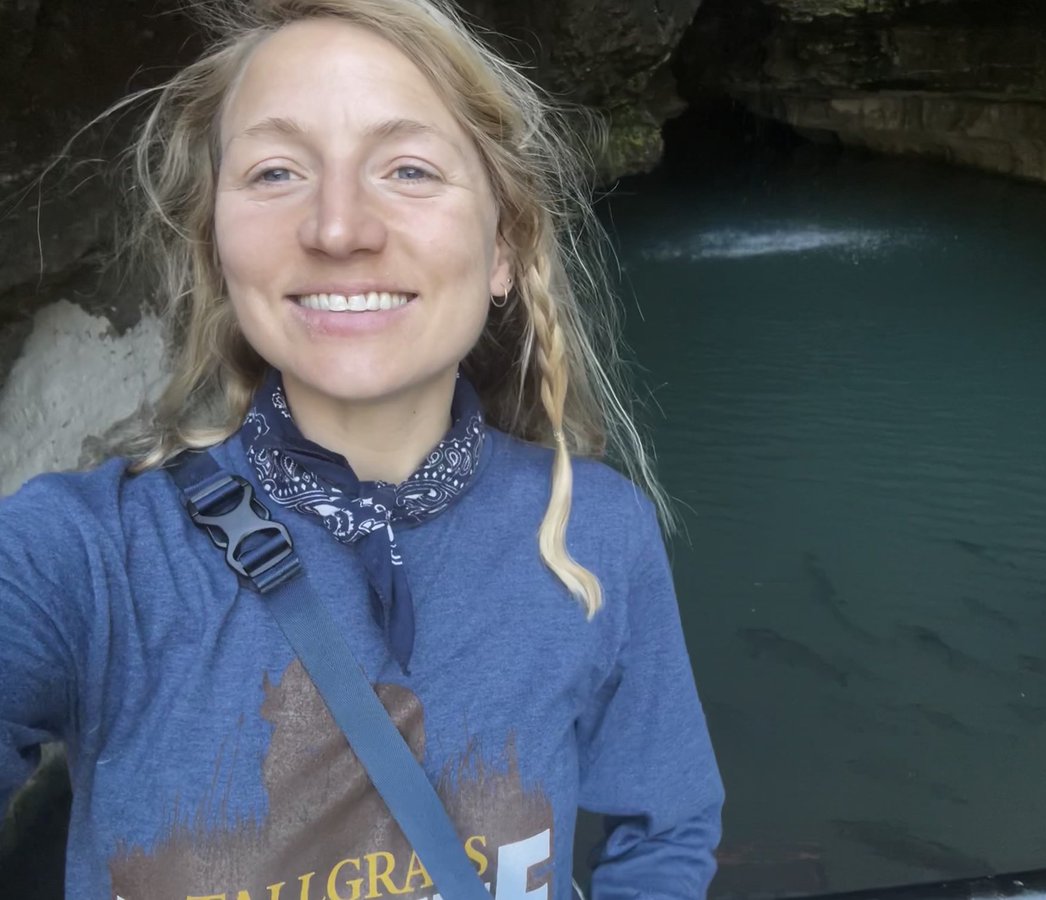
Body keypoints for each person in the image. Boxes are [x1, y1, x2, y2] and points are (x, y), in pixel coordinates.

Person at [0, 0, 724, 898]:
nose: (338, 228)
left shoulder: (593, 533)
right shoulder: (77, 559)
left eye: (409, 169)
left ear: (506, 246)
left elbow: (666, 830)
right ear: (218, 247)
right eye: (274, 172)